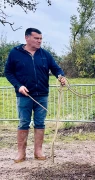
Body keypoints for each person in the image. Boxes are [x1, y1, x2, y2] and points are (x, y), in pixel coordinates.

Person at [4, 28, 66, 163]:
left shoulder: (45, 54)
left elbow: (56, 68)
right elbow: (8, 72)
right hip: (24, 95)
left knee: (40, 122)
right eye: (36, 38)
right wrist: (18, 86)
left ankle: (38, 151)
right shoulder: (15, 53)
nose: (39, 41)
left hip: (42, 95)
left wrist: (61, 76)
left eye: (41, 39)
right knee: (24, 122)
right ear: (27, 38)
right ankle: (21, 153)